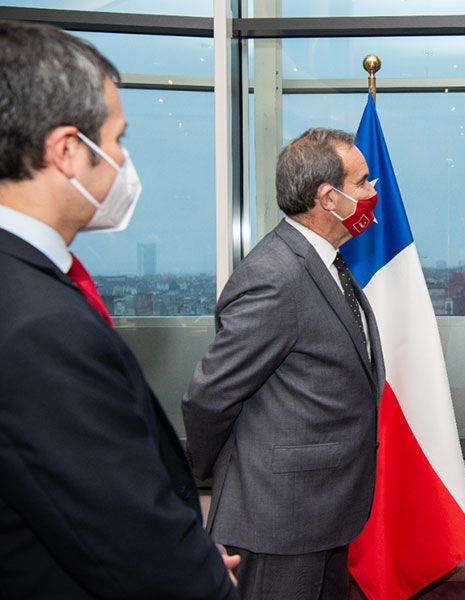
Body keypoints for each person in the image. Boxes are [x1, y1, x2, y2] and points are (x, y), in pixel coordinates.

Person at [0, 20, 239, 599]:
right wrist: (198, 574)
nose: (123, 160)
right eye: (116, 139)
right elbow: (121, 529)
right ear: (66, 151)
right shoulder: (40, 328)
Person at [182, 127, 385, 600]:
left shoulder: (327, 261)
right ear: (328, 198)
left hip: (327, 510)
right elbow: (209, 396)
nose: (372, 192)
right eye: (361, 182)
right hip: (278, 518)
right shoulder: (274, 275)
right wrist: (226, 474)